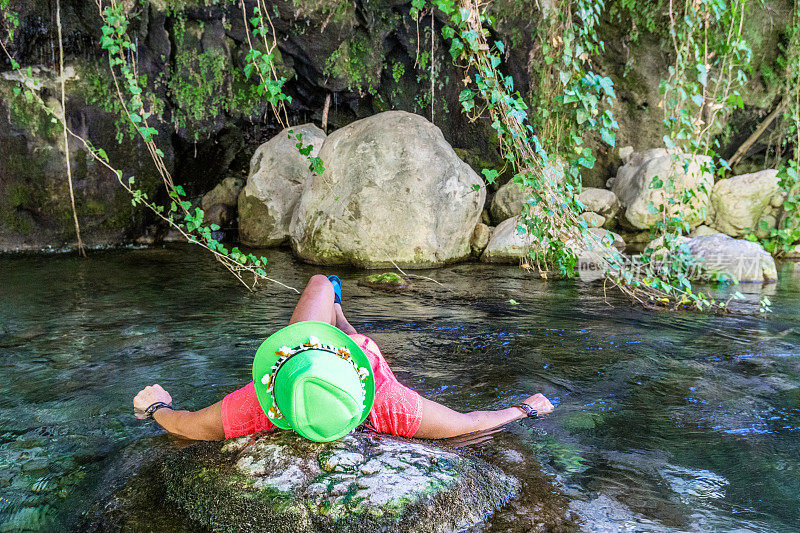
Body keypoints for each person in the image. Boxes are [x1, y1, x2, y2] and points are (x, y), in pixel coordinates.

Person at [133, 275, 554, 442]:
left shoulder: (261, 404)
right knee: (330, 296)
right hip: (361, 361)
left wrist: (153, 406)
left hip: (313, 361)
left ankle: (335, 309)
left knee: (320, 282)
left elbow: (186, 425)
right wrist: (524, 409)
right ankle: (343, 320)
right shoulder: (389, 405)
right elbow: (470, 423)